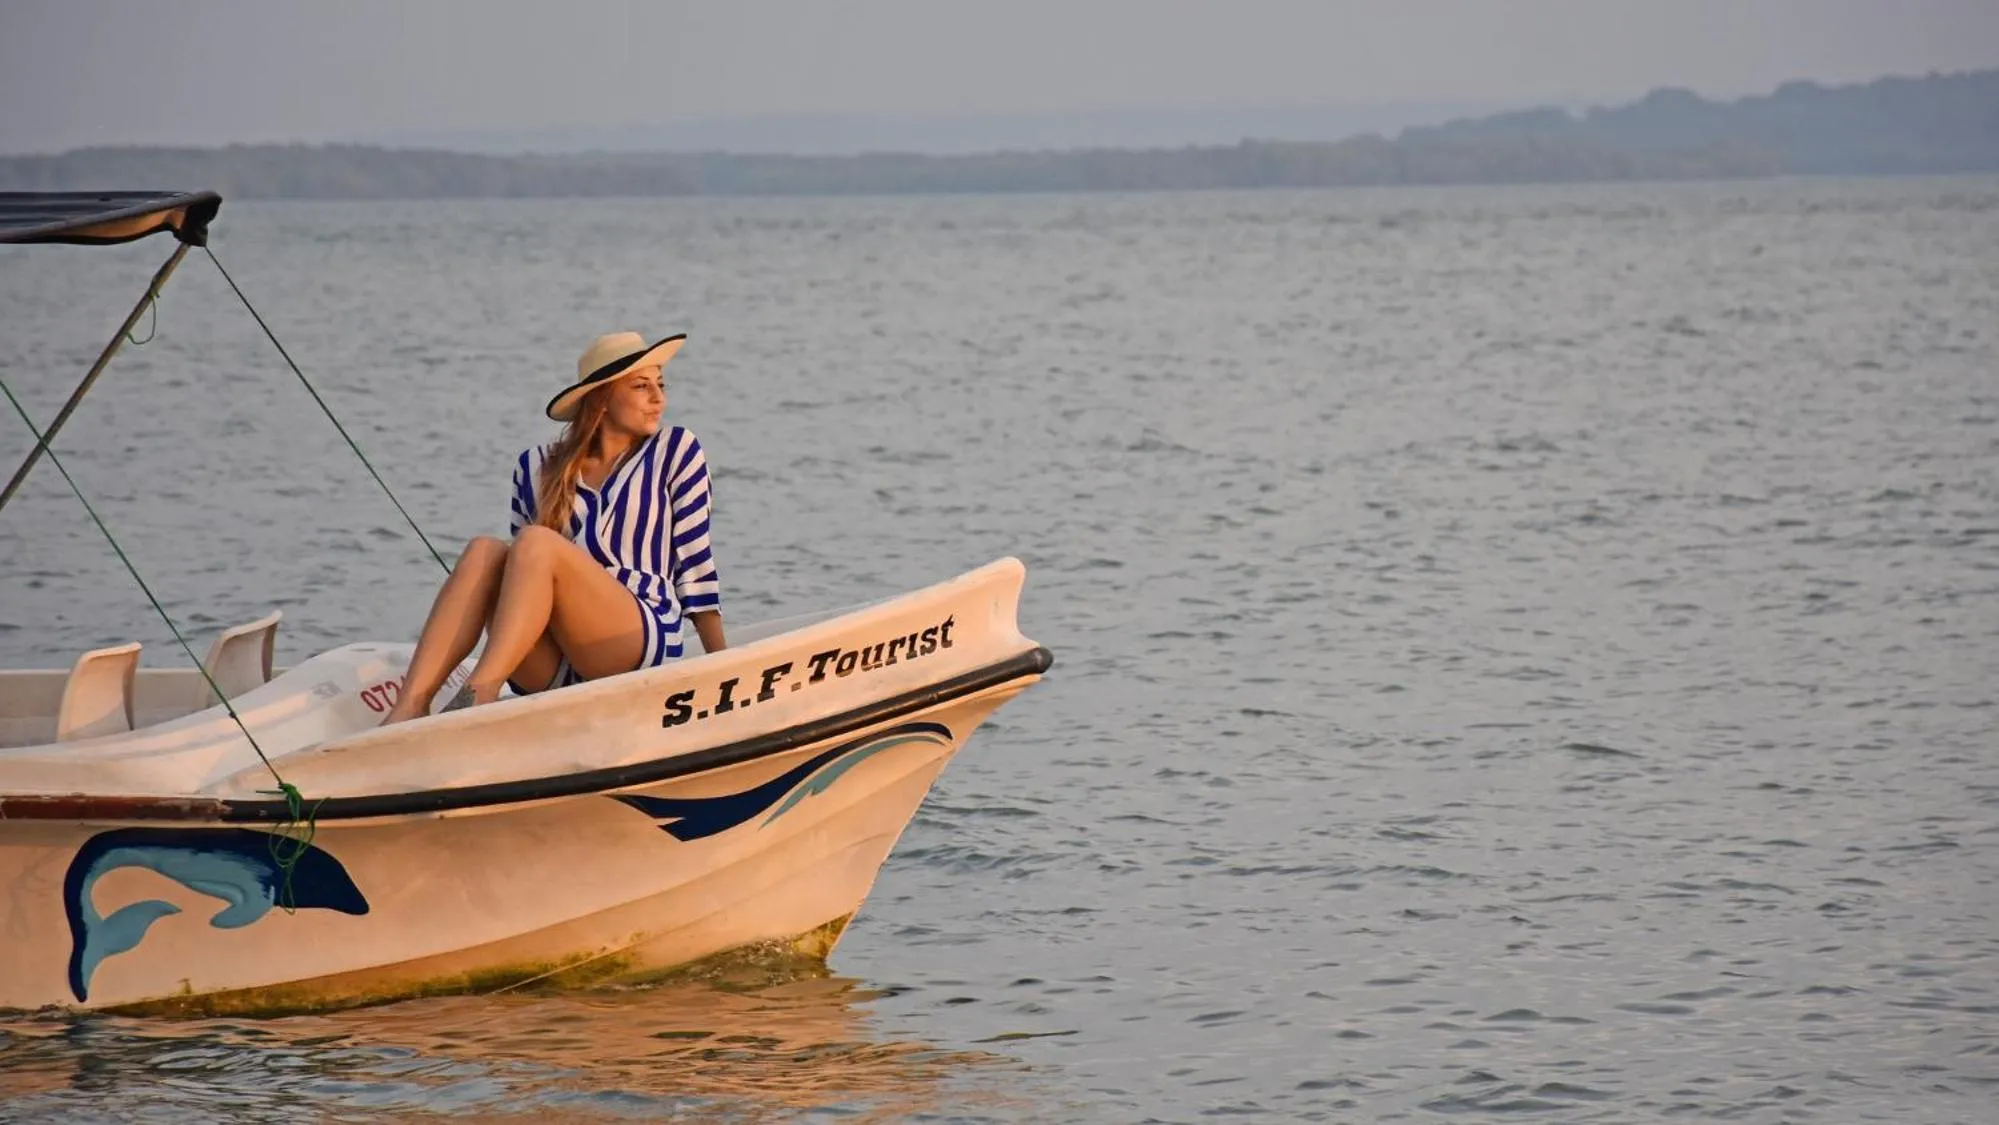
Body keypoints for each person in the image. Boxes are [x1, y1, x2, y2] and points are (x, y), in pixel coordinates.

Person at [381, 330, 725, 723]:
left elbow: (695, 566)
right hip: (554, 664)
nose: (658, 398)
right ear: (602, 398)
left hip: (636, 641)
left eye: (660, 385)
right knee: (486, 551)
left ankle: (479, 694)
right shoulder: (535, 466)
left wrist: (723, 669)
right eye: (641, 386)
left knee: (536, 543)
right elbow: (518, 587)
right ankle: (408, 708)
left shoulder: (675, 450)